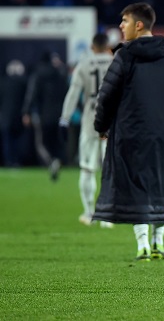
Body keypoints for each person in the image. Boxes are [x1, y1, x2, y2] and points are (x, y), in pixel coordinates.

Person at [93, 2, 164, 261]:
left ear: (139, 25)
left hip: (130, 133)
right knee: (161, 185)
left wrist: (101, 125)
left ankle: (142, 245)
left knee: (135, 187)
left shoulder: (124, 55)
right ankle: (159, 242)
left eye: (124, 21)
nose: (121, 26)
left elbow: (107, 95)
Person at [59, 33, 114, 227]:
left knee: (87, 168)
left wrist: (65, 119)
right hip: (113, 121)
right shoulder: (117, 63)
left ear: (92, 47)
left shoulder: (84, 64)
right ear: (108, 46)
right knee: (111, 169)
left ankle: (89, 212)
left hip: (91, 119)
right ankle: (107, 215)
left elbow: (73, 93)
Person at [22, 51, 69, 179]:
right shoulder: (60, 74)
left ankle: (51, 161)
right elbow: (67, 93)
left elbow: (31, 94)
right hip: (61, 115)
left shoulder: (38, 74)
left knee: (41, 143)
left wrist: (26, 112)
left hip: (44, 115)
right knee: (58, 142)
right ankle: (59, 160)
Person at [0, 60, 29, 168]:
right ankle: (16, 161)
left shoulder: (3, 82)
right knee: (17, 141)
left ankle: (9, 161)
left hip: (6, 117)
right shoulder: (23, 83)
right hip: (18, 116)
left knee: (8, 141)